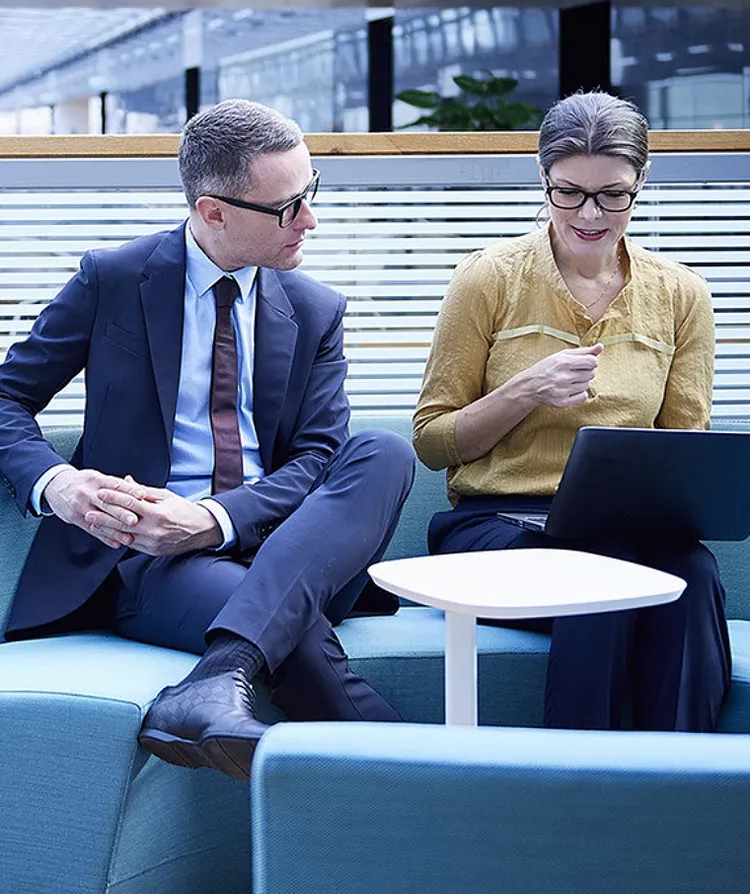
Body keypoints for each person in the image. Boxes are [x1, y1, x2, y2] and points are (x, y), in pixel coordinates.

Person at [0, 99, 415, 779]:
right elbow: (6, 396)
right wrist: (58, 484)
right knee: (297, 636)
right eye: (288, 207)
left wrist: (214, 520)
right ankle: (441, 791)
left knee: (385, 452)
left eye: (311, 194)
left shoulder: (315, 310)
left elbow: (316, 458)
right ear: (213, 211)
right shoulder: (113, 280)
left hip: (290, 548)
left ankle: (217, 678)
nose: (309, 219)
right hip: (151, 563)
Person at [413, 91, 730, 732]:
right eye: (568, 192)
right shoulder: (489, 279)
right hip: (496, 526)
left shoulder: (681, 294)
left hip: (625, 530)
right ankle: (581, 782)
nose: (590, 213)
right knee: (602, 566)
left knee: (692, 571)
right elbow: (432, 441)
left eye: (613, 194)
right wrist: (523, 391)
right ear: (543, 179)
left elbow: (683, 447)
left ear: (640, 183)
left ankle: (687, 784)